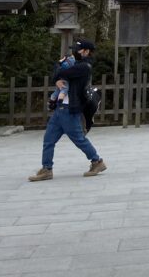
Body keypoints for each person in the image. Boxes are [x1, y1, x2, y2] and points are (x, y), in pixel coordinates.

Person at [28, 39, 106, 181]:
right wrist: (57, 75)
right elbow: (57, 75)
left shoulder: (84, 67)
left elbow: (61, 73)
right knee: (48, 139)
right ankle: (46, 169)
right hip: (60, 108)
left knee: (79, 139)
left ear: (86, 51)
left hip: (70, 109)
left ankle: (97, 161)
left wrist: (58, 66)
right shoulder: (76, 64)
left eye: (78, 49)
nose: (75, 52)